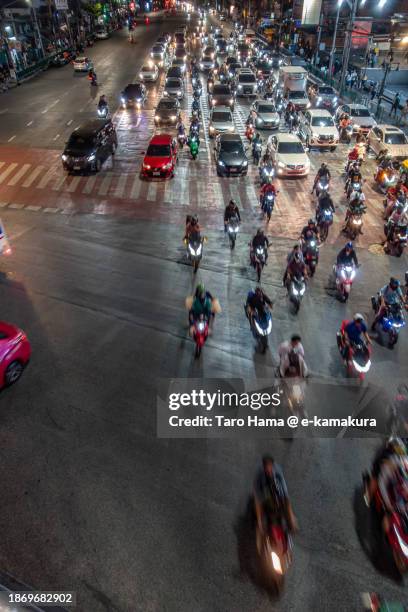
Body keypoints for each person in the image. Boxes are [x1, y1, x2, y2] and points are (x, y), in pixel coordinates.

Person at [253, 456, 298, 538]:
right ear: (263, 468)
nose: (268, 470)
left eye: (270, 468)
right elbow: (257, 498)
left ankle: (290, 523)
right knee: (261, 507)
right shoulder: (259, 475)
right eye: (266, 469)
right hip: (264, 491)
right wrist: (259, 521)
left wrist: (291, 516)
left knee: (285, 502)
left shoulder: (278, 472)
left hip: (276, 491)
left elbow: (285, 494)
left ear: (273, 466)